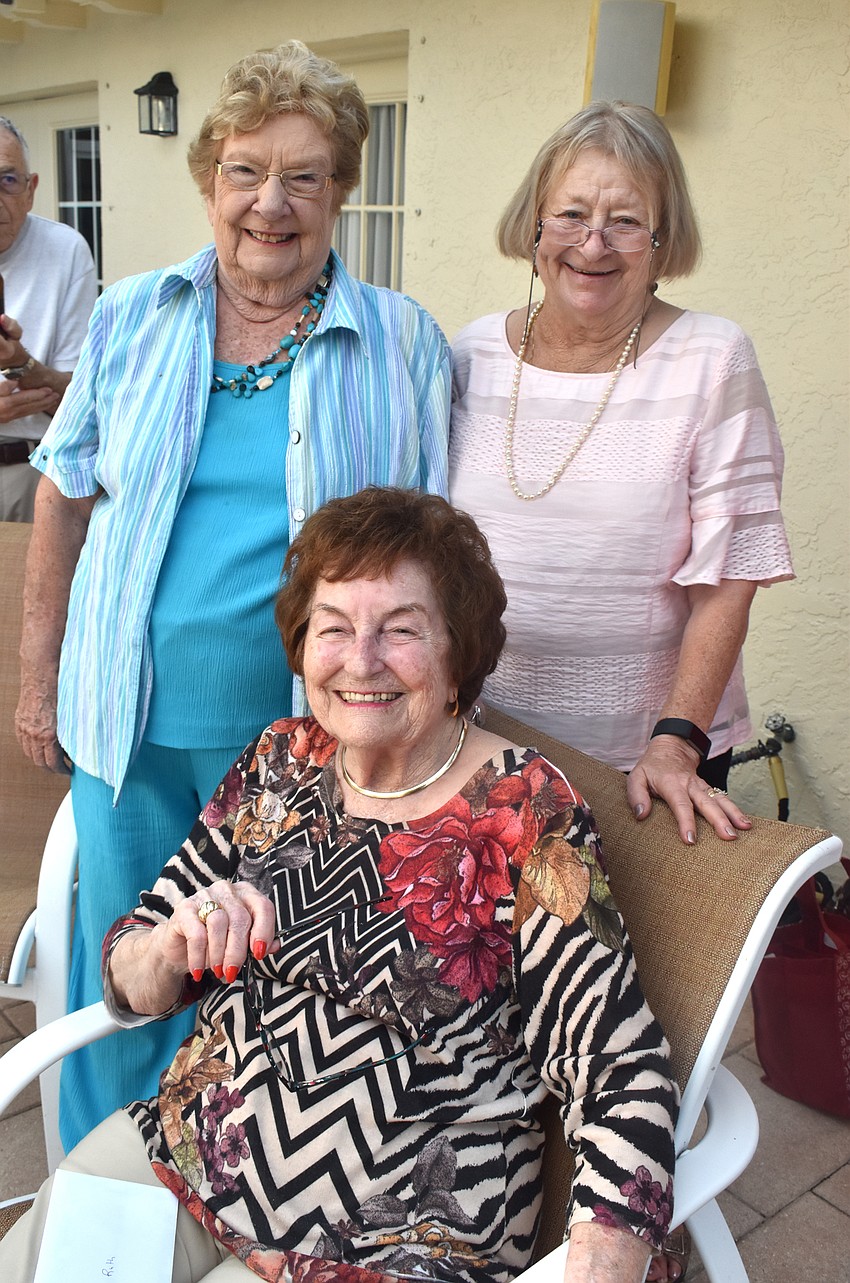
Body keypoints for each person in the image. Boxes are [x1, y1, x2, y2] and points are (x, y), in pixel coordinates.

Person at [0, 487, 678, 1283]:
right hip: (185, 1156)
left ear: (457, 652)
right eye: (334, 627)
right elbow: (129, 965)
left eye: (400, 630)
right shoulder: (281, 762)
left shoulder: (525, 812)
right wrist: (175, 941)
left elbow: (622, 1071)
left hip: (391, 1238)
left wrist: (603, 1261)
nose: (361, 660)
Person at [14, 42, 450, 1152]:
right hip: (131, 724)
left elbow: (435, 546)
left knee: (271, 981)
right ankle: (99, 1195)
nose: (272, 203)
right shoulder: (130, 316)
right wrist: (37, 679)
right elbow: (62, 501)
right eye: (247, 171)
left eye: (305, 176)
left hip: (305, 741)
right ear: (211, 184)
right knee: (128, 967)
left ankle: (225, 1190)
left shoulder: (403, 342)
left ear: (342, 192)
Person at [449, 100, 793, 850]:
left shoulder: (713, 358)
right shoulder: (469, 354)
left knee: (637, 966)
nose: (593, 244)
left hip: (643, 765)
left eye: (626, 221)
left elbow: (728, 581)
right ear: (535, 225)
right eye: (570, 214)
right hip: (480, 750)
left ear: (663, 239)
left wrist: (674, 742)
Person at [0, 116, 96, 521]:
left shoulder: (64, 250)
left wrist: (20, 365)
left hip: (28, 470)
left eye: (7, 179)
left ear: (31, 189)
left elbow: (83, 401)